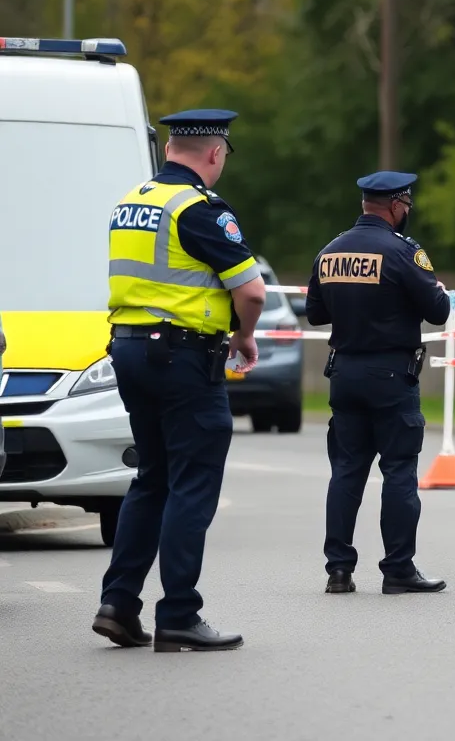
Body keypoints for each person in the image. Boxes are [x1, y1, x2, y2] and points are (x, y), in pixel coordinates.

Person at [92, 109, 266, 653]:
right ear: (215, 153)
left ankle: (118, 605)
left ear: (170, 149)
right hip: (183, 357)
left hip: (128, 349)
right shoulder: (200, 210)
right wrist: (244, 336)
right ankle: (178, 616)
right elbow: (253, 291)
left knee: (153, 478)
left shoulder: (131, 201)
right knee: (192, 481)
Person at [305, 171, 451, 596]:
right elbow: (438, 310)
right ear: (396, 205)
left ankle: (338, 569)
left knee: (346, 472)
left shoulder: (330, 252)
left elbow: (315, 313)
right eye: (406, 206)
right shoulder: (404, 252)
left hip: (344, 373)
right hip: (391, 375)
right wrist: (434, 291)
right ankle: (399, 569)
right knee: (399, 471)